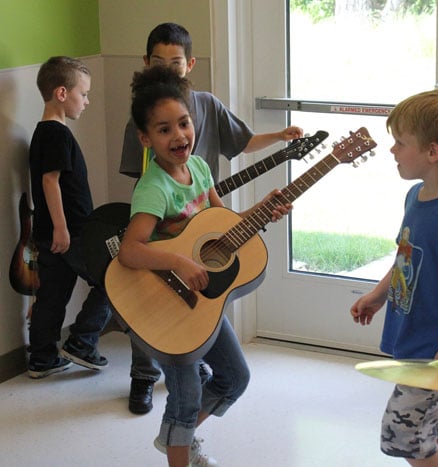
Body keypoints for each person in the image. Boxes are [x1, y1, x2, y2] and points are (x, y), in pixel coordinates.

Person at [120, 22, 303, 415]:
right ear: (146, 137)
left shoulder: (202, 166)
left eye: (184, 124)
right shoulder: (153, 184)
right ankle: (169, 424)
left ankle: (185, 441)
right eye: (164, 129)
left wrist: (265, 207)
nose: (179, 134)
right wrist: (178, 259)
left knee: (232, 378)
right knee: (185, 397)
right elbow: (132, 248)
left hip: (198, 297)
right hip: (165, 288)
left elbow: (221, 222)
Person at [350, 88, 438, 467]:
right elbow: (404, 258)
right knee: (430, 426)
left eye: (400, 143)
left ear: (432, 152)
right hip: (413, 337)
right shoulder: (416, 197)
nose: (392, 150)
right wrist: (379, 295)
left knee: (403, 435)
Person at [28, 56, 112, 379]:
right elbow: (51, 182)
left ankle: (42, 357)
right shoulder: (57, 134)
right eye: (84, 93)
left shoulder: (43, 132)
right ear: (62, 93)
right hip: (71, 232)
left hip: (50, 232)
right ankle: (82, 340)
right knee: (112, 279)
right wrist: (62, 229)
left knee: (51, 295)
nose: (87, 101)